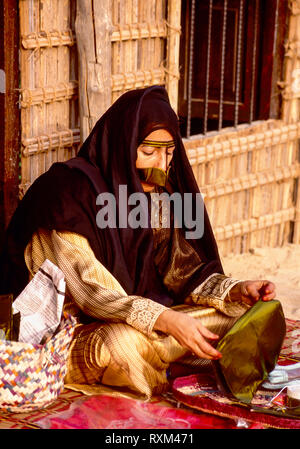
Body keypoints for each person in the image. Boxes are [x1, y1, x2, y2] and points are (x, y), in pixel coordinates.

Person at [0, 85, 276, 397]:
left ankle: (170, 355)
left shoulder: (150, 191)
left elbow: (179, 270)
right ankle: (171, 362)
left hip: (140, 317)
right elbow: (93, 293)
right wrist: (165, 320)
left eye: (169, 152)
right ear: (123, 144)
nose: (161, 166)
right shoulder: (65, 194)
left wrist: (236, 289)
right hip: (71, 335)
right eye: (149, 152)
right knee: (121, 346)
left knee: (238, 313)